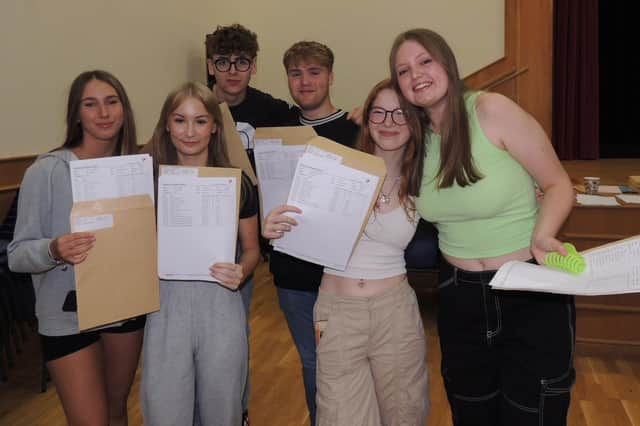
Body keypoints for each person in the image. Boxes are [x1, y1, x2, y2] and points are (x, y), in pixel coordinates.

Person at [390, 28, 576, 426]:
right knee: (470, 409)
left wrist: (543, 234)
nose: (416, 75)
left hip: (529, 286)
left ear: (447, 64)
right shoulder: (415, 139)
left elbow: (558, 184)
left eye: (425, 61)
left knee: (534, 411)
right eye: (403, 71)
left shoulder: (490, 109)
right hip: (460, 295)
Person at [264, 79, 429, 426]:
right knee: (340, 417)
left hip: (395, 313)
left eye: (400, 113)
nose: (388, 122)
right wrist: (275, 226)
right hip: (337, 313)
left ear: (415, 121)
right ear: (366, 119)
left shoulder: (426, 180)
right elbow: (297, 218)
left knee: (405, 415)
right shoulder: (337, 169)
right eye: (379, 112)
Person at [8, 70, 143, 426]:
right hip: (67, 317)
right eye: (91, 104)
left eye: (111, 102)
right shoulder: (47, 171)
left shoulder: (137, 169)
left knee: (116, 413)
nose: (103, 112)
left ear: (124, 109)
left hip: (124, 311)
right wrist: (54, 249)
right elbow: (17, 254)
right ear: (77, 114)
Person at [140, 81, 260, 426]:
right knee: (165, 410)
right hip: (165, 308)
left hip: (221, 305)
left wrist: (242, 269)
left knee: (222, 409)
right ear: (166, 124)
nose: (189, 131)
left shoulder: (237, 183)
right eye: (180, 120)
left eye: (200, 121)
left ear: (215, 127)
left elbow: (251, 250)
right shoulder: (148, 183)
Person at [264, 40, 359, 426]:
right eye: (295, 73)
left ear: (331, 76)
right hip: (293, 275)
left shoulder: (357, 130)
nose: (304, 81)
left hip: (344, 275)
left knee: (350, 363)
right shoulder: (275, 132)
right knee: (313, 363)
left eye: (314, 72)